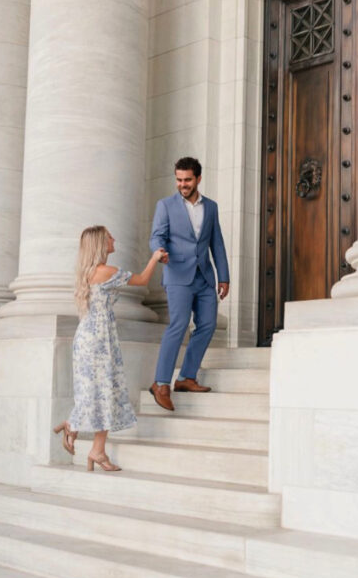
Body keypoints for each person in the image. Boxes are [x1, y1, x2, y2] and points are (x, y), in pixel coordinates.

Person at [53, 225, 165, 472]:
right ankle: (89, 441)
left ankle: (90, 441)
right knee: (103, 391)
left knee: (97, 391)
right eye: (109, 237)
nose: (114, 239)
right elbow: (142, 280)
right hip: (99, 339)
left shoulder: (88, 271)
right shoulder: (106, 271)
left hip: (87, 336)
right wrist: (155, 258)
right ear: (101, 244)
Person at [148, 156, 231, 414]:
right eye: (179, 180)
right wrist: (159, 251)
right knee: (179, 324)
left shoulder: (212, 207)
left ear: (198, 179)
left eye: (187, 180)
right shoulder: (166, 205)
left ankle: (186, 377)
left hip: (204, 276)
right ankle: (161, 383)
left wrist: (223, 276)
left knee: (207, 324)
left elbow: (216, 242)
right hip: (177, 275)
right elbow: (157, 236)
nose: (182, 184)